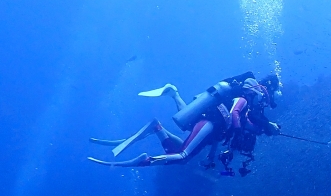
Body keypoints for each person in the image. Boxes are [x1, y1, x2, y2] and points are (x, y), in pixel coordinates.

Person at [88, 72, 280, 173]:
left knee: (177, 151)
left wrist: (212, 157)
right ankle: (146, 160)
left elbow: (232, 128)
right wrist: (253, 128)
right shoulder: (244, 98)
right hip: (211, 121)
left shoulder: (245, 104)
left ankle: (158, 123)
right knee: (182, 156)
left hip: (211, 123)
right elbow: (235, 115)